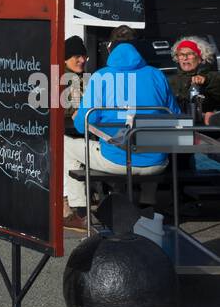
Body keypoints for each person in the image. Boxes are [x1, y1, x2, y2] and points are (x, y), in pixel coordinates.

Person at [62, 25, 179, 232]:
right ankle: (146, 207)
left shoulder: (100, 77)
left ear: (110, 49)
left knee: (66, 145)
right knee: (150, 143)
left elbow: (81, 125)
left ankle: (80, 213)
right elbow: (175, 118)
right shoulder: (156, 75)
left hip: (117, 160)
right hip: (157, 163)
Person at [167, 37, 220, 124]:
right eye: (181, 54)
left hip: (206, 128)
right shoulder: (171, 80)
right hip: (178, 127)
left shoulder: (211, 76)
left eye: (190, 54)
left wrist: (206, 79)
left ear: (200, 58)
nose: (185, 58)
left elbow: (215, 81)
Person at [61, 35, 88, 136]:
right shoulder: (57, 78)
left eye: (84, 56)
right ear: (65, 59)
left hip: (84, 134)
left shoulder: (86, 78)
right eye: (77, 56)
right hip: (66, 136)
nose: (82, 60)